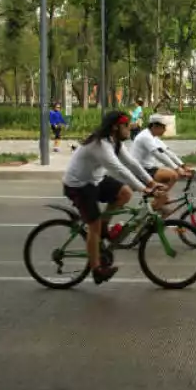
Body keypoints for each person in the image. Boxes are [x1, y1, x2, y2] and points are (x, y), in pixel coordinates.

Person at [63, 110, 164, 285]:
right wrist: (144, 189)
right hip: (78, 185)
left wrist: (151, 183)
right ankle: (97, 270)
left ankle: (104, 227)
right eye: (127, 125)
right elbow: (120, 170)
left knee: (125, 193)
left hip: (96, 180)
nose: (130, 127)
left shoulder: (115, 141)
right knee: (92, 225)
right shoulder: (100, 145)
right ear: (115, 127)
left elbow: (132, 163)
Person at [131, 114, 193, 213]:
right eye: (163, 127)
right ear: (155, 126)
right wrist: (177, 169)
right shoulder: (145, 137)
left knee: (165, 212)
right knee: (172, 175)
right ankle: (154, 205)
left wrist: (183, 166)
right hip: (140, 170)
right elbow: (158, 154)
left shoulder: (154, 137)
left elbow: (168, 152)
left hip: (149, 168)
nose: (165, 130)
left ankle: (159, 201)